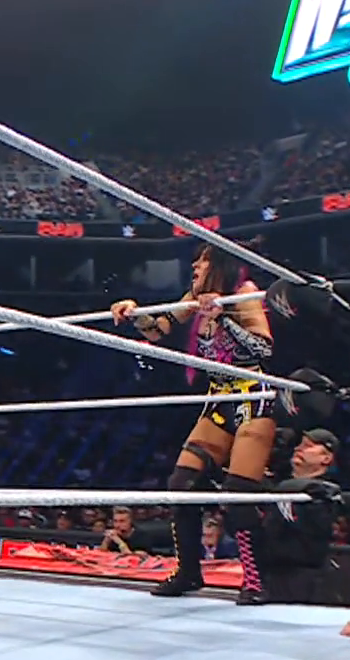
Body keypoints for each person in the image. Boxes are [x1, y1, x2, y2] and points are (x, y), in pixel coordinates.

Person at [111, 240, 276, 598]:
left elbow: (264, 348)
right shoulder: (195, 298)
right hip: (219, 398)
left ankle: (255, 581)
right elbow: (157, 330)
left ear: (219, 266)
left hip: (253, 397)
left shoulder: (243, 293)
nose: (195, 267)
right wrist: (133, 312)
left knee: (239, 494)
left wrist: (223, 317)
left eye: (202, 261)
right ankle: (188, 572)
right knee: (181, 484)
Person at [242, 428, 341, 605]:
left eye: (308, 446)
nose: (298, 449)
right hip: (266, 575)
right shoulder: (278, 485)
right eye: (299, 445)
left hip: (301, 579)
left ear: (326, 458)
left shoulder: (326, 492)